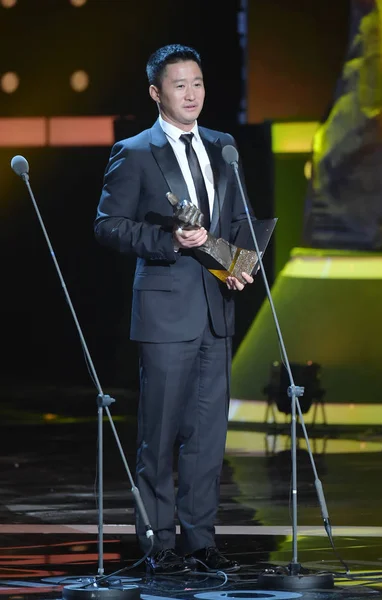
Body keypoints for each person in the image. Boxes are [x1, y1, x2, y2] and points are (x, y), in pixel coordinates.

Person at [94, 44, 255, 575]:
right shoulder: (135, 152)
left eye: (199, 84)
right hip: (165, 311)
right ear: (156, 93)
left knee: (208, 437)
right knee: (159, 436)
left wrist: (238, 262)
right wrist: (172, 242)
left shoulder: (223, 146)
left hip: (216, 309)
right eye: (180, 85)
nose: (192, 94)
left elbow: (234, 224)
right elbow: (109, 225)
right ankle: (158, 543)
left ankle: (200, 540)